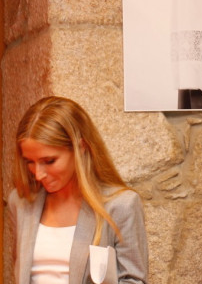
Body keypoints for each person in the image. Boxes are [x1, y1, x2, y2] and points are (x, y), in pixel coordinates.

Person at [8, 96, 148, 284]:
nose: (38, 174)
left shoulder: (121, 205)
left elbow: (134, 280)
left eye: (49, 161)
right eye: (30, 162)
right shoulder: (21, 202)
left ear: (80, 147)